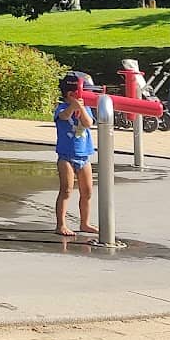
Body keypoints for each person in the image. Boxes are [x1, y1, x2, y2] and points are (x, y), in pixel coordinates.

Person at [54, 71, 97, 237]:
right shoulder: (61, 108)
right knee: (66, 190)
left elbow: (88, 123)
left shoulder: (85, 108)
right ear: (72, 94)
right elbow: (64, 117)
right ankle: (61, 224)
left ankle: (85, 223)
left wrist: (81, 108)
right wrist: (73, 106)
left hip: (84, 156)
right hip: (66, 157)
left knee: (87, 192)